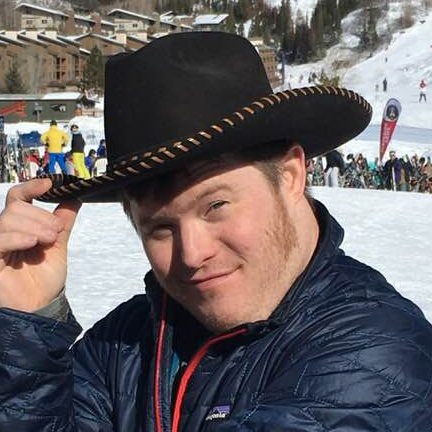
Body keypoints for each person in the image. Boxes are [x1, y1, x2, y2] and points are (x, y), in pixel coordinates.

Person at [1, 32, 432, 432]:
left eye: (216, 206)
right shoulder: (124, 345)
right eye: (160, 228)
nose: (192, 254)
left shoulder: (376, 352)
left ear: (290, 175)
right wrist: (26, 326)